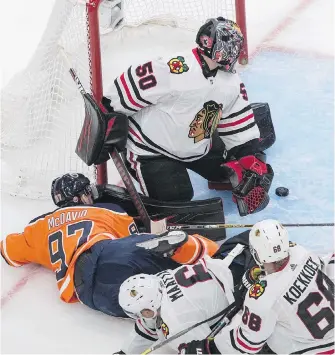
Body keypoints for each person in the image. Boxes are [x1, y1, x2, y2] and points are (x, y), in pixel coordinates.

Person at [84, 16, 275, 217]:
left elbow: (239, 124)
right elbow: (122, 92)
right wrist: (105, 124)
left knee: (242, 170)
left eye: (236, 47)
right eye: (229, 46)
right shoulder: (173, 69)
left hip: (197, 145)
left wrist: (248, 157)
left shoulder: (231, 83)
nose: (233, 53)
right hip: (150, 151)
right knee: (178, 198)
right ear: (209, 43)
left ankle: (217, 172)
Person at [0, 173, 220, 318]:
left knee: (163, 301)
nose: (91, 195)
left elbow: (8, 250)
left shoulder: (38, 227)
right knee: (171, 246)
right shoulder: (106, 209)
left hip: (90, 295)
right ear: (78, 198)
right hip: (108, 255)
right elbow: (130, 240)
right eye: (87, 192)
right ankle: (224, 259)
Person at [178, 220, 334, 354]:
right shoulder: (302, 252)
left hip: (310, 350)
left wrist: (205, 348)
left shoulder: (262, 297)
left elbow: (244, 344)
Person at [114, 247, 250, 354]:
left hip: (243, 285)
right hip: (231, 256)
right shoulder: (156, 282)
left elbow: (206, 349)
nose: (140, 317)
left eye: (142, 312)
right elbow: (148, 325)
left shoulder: (177, 321)